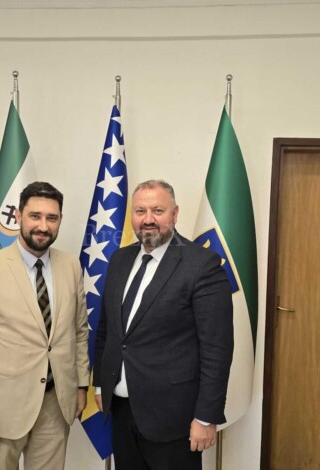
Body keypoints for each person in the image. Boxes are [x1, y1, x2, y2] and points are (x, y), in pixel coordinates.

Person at [93, 180, 234, 470]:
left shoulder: (201, 264)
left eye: (157, 210)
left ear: (175, 213)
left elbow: (217, 349)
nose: (148, 219)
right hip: (121, 409)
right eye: (140, 211)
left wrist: (206, 416)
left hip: (173, 418)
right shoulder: (119, 259)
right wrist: (100, 383)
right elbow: (107, 329)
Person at [0, 181, 89, 470]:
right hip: (1, 411)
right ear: (18, 215)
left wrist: (81, 386)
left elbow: (79, 333)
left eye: (51, 218)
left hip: (55, 405)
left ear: (60, 220)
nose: (43, 226)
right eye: (35, 216)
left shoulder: (71, 266)